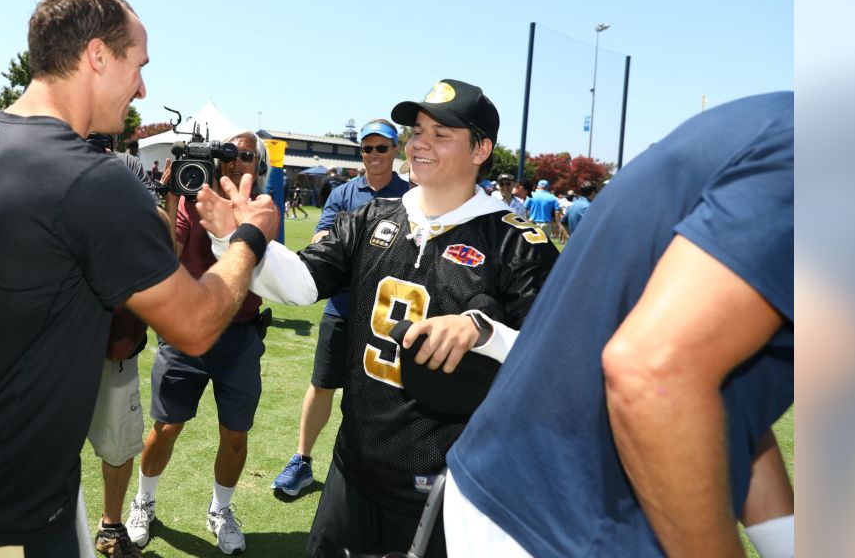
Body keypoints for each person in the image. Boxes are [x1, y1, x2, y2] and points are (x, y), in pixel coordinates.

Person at [0, 0, 278, 558]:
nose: (143, 86)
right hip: (3, 503)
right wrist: (250, 235)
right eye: (138, 65)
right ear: (98, 56)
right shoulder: (92, 179)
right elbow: (194, 325)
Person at [199, 80, 558, 558]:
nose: (419, 143)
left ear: (482, 149)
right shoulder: (374, 215)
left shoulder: (517, 243)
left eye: (441, 133)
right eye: (417, 131)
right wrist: (237, 237)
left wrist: (484, 332)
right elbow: (303, 281)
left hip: (445, 489)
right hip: (355, 467)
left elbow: (557, 359)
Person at [442, 92, 794, 558]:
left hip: (518, 484)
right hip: (574, 515)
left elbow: (733, 388)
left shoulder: (777, 127)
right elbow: (652, 373)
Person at [127, 132, 272, 555]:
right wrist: (172, 196)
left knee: (235, 435)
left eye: (245, 156)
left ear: (257, 165)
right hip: (185, 332)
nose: (235, 162)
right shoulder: (191, 200)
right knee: (166, 427)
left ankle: (220, 510)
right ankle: (144, 501)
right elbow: (167, 257)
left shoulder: (261, 209)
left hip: (240, 336)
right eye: (229, 154)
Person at [271, 119, 410, 498]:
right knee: (322, 384)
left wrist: (354, 248)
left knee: (386, 392)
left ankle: (381, 467)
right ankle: (301, 460)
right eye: (367, 148)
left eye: (382, 148)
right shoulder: (343, 192)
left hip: (389, 314)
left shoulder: (413, 194)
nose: (374, 155)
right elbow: (322, 238)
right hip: (341, 306)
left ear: (395, 151)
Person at [83, 132, 158, 558]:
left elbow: (156, 245)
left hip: (115, 339)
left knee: (118, 441)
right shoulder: (47, 161)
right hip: (54, 343)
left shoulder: (127, 167)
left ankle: (111, 525)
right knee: (38, 445)